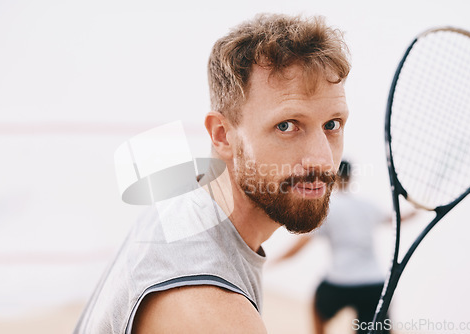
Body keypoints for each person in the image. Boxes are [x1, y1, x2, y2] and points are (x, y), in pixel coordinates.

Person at [74, 13, 351, 334]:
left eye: (332, 125)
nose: (321, 159)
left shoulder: (184, 202)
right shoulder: (213, 311)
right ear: (222, 134)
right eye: (287, 126)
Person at [275, 160, 413, 334]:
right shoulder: (366, 205)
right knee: (380, 328)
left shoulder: (327, 208)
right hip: (374, 284)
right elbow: (397, 220)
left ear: (332, 177)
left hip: (340, 282)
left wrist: (273, 260)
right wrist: (417, 210)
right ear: (350, 177)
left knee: (317, 307)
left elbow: (300, 245)